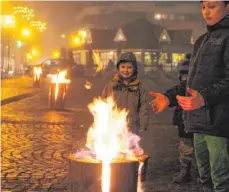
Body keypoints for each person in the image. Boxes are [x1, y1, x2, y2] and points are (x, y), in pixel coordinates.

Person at [150, 1, 229, 192]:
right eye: (203, 7)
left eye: (212, 6)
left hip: (220, 124)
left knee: (221, 180)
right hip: (199, 122)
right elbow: (191, 83)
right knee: (205, 179)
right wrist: (168, 98)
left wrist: (204, 97)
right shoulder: (202, 40)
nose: (206, 12)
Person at [102, 52, 149, 134]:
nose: (125, 70)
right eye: (122, 67)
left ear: (134, 69)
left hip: (133, 128)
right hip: (115, 128)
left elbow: (143, 108)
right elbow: (104, 104)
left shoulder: (139, 87)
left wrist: (143, 126)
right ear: (118, 68)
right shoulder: (111, 85)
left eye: (129, 67)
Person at [172, 53, 195, 183]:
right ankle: (185, 172)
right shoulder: (180, 90)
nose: (186, 80)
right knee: (185, 147)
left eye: (188, 76)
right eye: (184, 77)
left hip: (199, 121)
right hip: (184, 122)